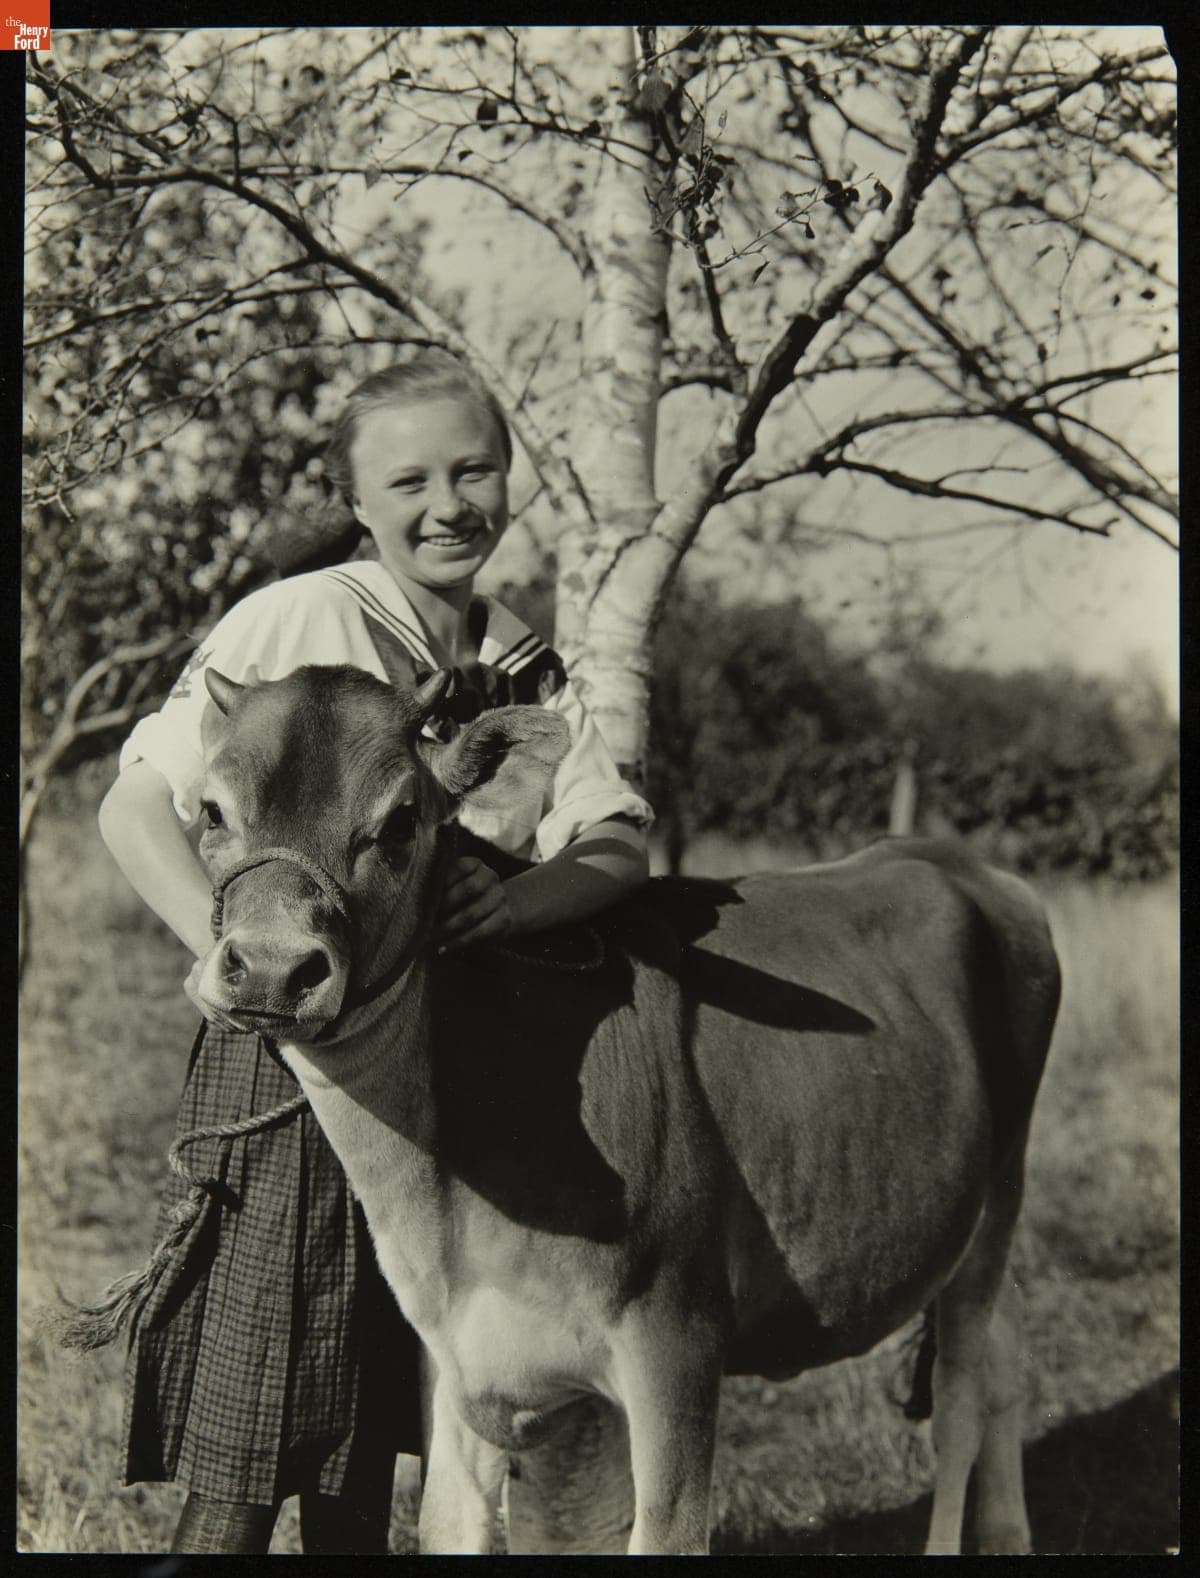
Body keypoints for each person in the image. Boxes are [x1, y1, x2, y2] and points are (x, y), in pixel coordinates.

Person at [97, 349, 654, 1554]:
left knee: (380, 1458)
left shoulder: (521, 662)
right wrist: (240, 950)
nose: (446, 504)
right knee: (248, 1448)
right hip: (298, 1059)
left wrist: (516, 908)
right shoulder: (304, 617)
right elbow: (135, 806)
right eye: (407, 481)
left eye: (474, 470)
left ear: (511, 480)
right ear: (358, 503)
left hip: (456, 1093)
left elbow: (614, 845)